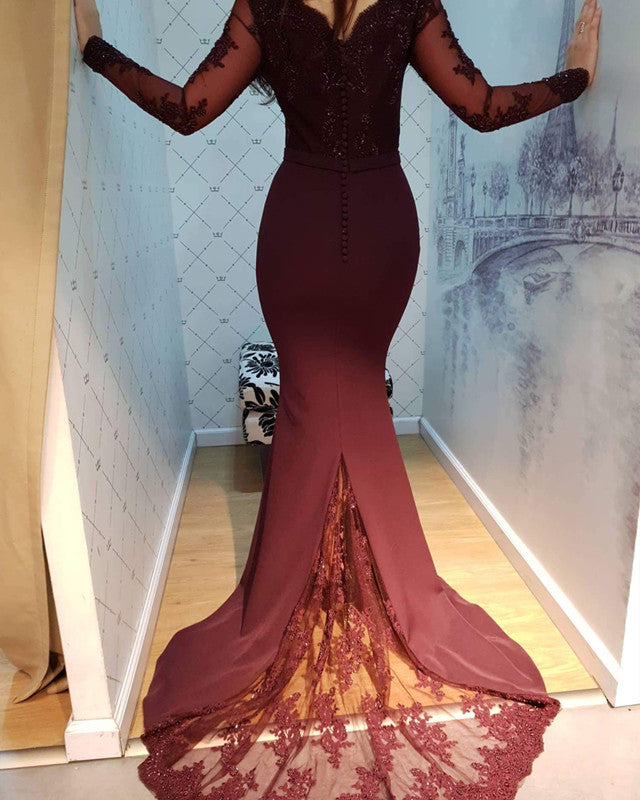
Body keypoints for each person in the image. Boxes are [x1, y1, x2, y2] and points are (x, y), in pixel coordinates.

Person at [73, 0, 601, 797]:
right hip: (384, 228)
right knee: (357, 400)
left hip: (298, 228)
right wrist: (576, 77)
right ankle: (382, 581)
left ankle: (296, 588)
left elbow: (188, 109)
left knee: (309, 405)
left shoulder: (264, 6)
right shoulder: (410, 4)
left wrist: (97, 51)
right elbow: (484, 107)